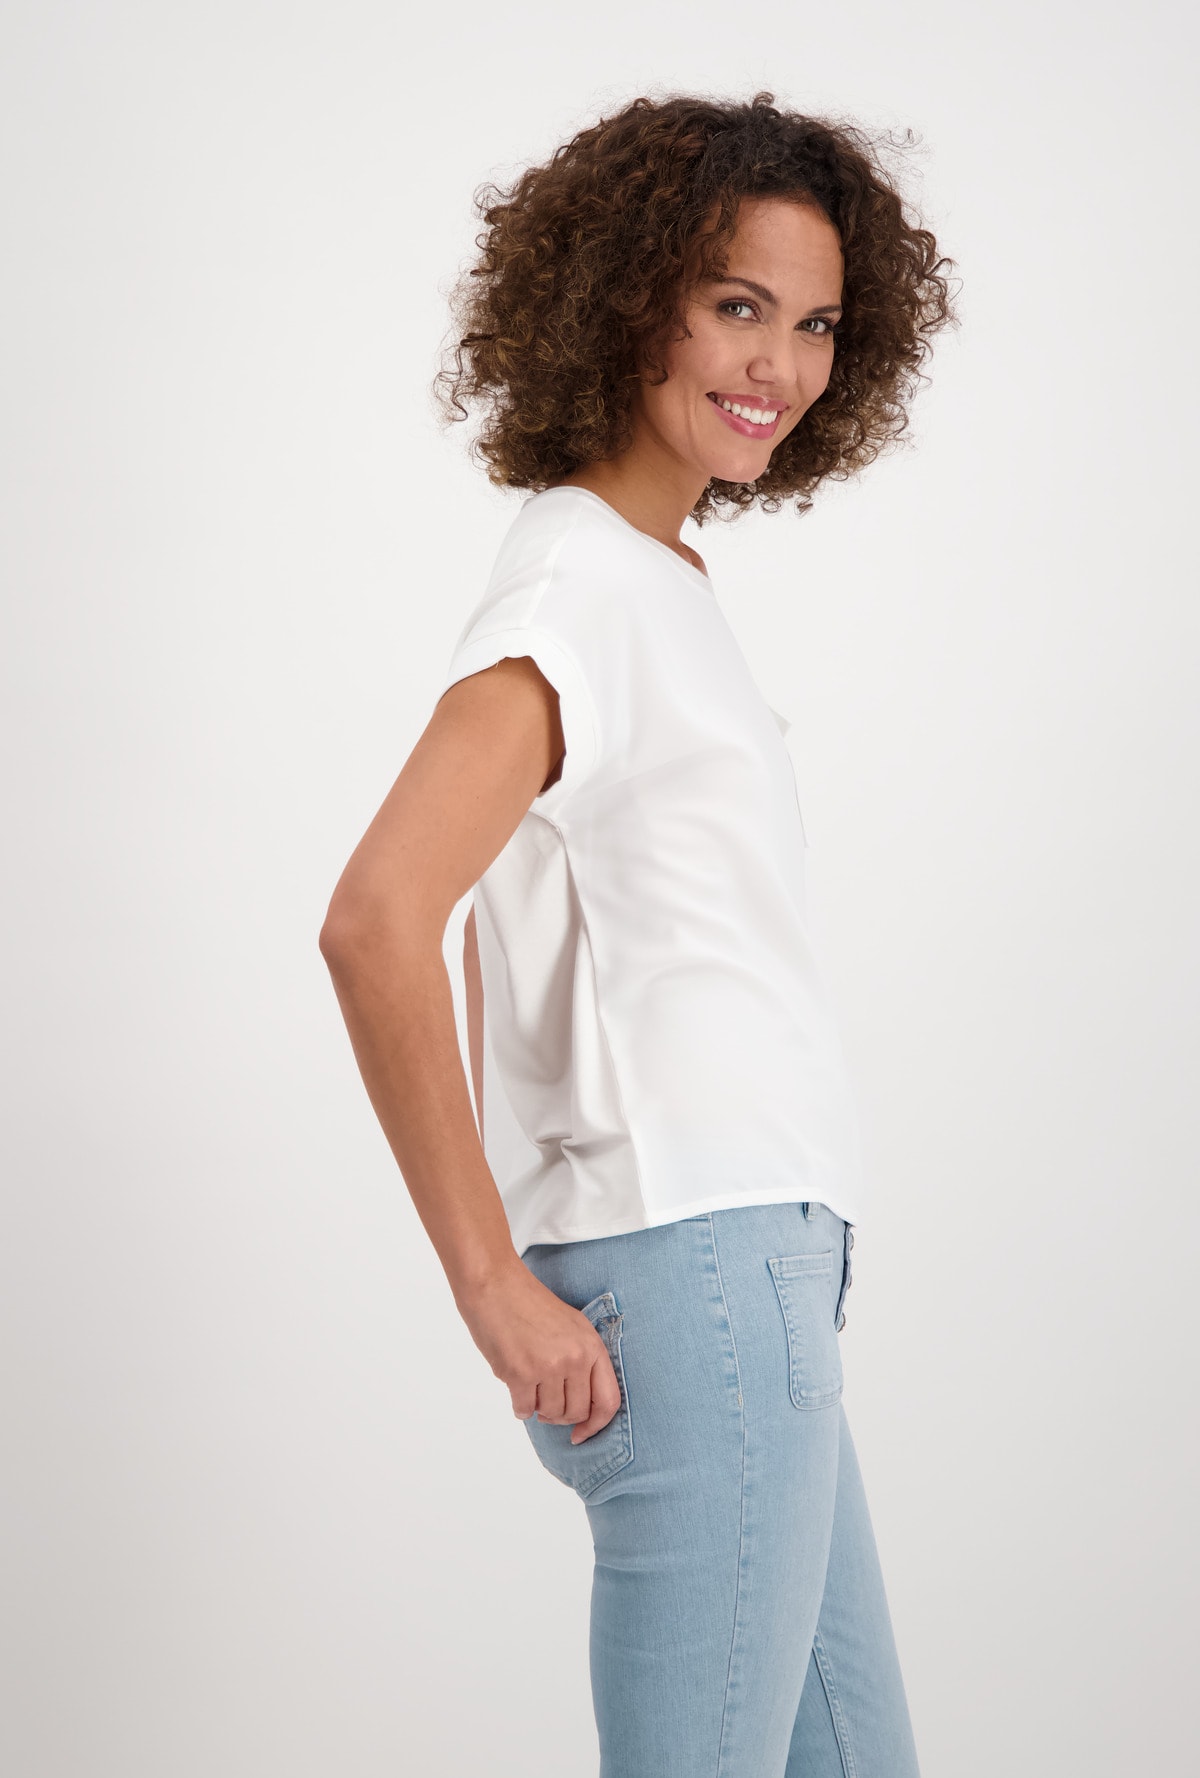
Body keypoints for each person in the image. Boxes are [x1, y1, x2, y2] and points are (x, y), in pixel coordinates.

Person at [320, 90, 957, 1778]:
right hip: (698, 1279)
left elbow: (496, 920)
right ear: (626, 299)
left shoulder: (652, 580)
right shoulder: (578, 589)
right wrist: (490, 1276)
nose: (780, 365)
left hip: (747, 1276)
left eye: (816, 324)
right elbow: (380, 919)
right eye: (737, 304)